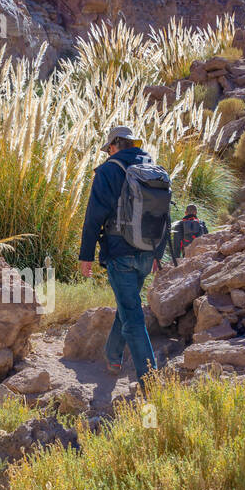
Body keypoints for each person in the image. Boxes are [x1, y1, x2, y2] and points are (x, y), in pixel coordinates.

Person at [78, 124, 168, 385]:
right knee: (126, 306)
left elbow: (94, 216)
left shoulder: (108, 171)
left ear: (115, 146)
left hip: (120, 254)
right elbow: (164, 215)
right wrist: (156, 254)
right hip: (146, 253)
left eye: (109, 149)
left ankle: (150, 381)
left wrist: (86, 255)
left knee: (133, 317)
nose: (108, 153)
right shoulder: (155, 171)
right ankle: (113, 356)